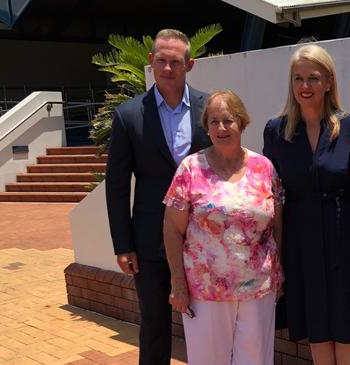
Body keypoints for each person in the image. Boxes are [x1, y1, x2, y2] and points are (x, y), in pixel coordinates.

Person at [105, 29, 211, 365]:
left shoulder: (209, 109)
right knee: (154, 324)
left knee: (208, 323)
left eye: (176, 62)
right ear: (151, 61)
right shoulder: (128, 116)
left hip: (204, 238)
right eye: (161, 61)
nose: (168, 68)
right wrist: (123, 245)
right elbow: (117, 186)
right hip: (149, 241)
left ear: (189, 65)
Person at [162, 90, 284, 365]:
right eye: (213, 122)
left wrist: (279, 270)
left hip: (259, 289)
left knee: (256, 361)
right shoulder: (190, 169)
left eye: (227, 120)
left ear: (241, 122)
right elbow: (171, 229)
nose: (221, 128)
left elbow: (277, 223)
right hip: (206, 291)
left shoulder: (263, 168)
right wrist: (178, 283)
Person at [263, 44, 350, 365]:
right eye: (298, 78)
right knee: (316, 321)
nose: (305, 86)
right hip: (301, 241)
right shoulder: (276, 131)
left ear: (329, 82)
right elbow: (270, 193)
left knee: (346, 321)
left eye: (313, 78)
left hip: (344, 237)